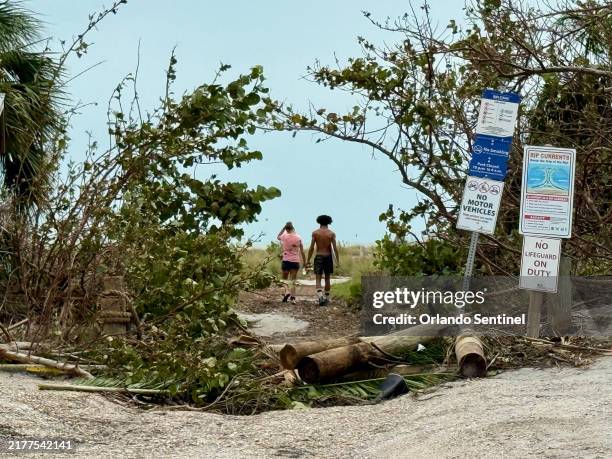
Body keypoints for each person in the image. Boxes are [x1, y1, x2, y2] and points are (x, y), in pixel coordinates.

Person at [306, 215, 339, 306]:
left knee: (318, 278)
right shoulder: (331, 234)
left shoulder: (315, 233)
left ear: (319, 222)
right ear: (329, 222)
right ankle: (327, 298)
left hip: (319, 256)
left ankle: (320, 297)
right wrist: (337, 261)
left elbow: (311, 247)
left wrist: (308, 259)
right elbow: (335, 248)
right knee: (327, 278)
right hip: (328, 257)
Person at [277, 222, 306, 304]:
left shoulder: (284, 236)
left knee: (284, 280)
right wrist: (305, 262)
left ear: (286, 229)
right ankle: (293, 298)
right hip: (295, 261)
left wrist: (283, 227)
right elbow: (302, 251)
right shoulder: (299, 237)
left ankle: (286, 292)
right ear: (293, 228)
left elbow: (278, 236)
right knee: (293, 280)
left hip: (286, 260)